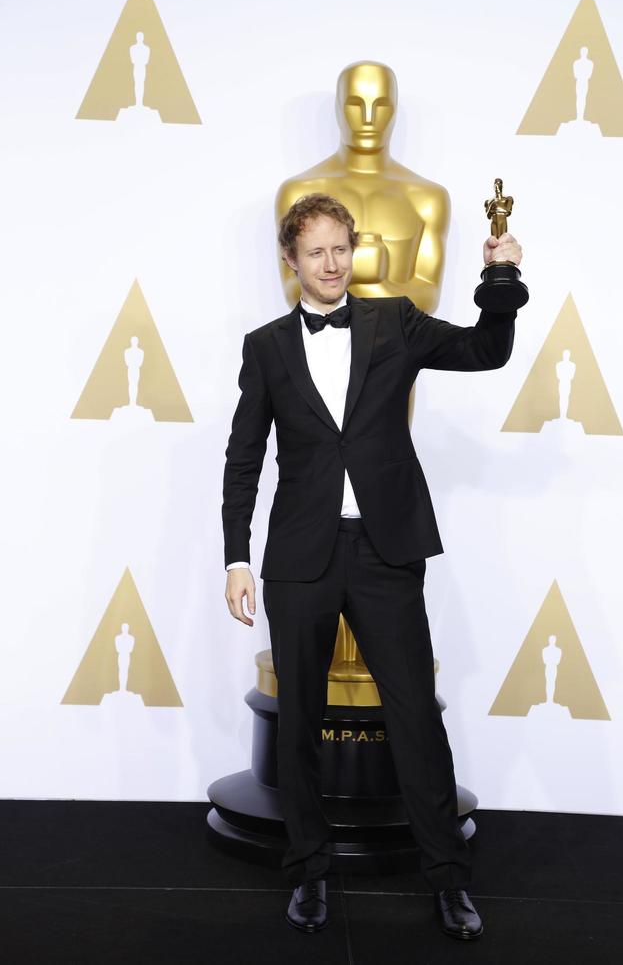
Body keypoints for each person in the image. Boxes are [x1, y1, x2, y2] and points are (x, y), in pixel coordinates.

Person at [222, 192, 523, 941]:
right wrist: (235, 556)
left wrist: (501, 284)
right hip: (300, 556)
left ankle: (448, 882)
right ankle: (310, 874)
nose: (330, 264)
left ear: (352, 251)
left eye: (339, 248)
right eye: (314, 251)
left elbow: (486, 350)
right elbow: (244, 458)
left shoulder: (392, 320)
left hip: (386, 551)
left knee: (415, 717)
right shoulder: (265, 347)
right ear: (289, 260)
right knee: (299, 725)